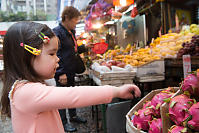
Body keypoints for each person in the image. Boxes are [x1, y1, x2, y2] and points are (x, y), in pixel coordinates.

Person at [0, 21, 141, 133]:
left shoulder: (27, 89)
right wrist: (116, 91)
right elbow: (74, 95)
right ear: (27, 55)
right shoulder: (25, 92)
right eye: (51, 54)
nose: (57, 59)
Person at [53, 6, 89, 132]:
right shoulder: (57, 33)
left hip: (71, 69)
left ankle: (73, 116)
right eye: (75, 21)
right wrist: (60, 73)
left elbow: (72, 50)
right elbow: (55, 54)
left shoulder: (70, 32)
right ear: (67, 18)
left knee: (72, 94)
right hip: (63, 71)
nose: (76, 24)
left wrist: (84, 47)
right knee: (62, 98)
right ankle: (63, 123)